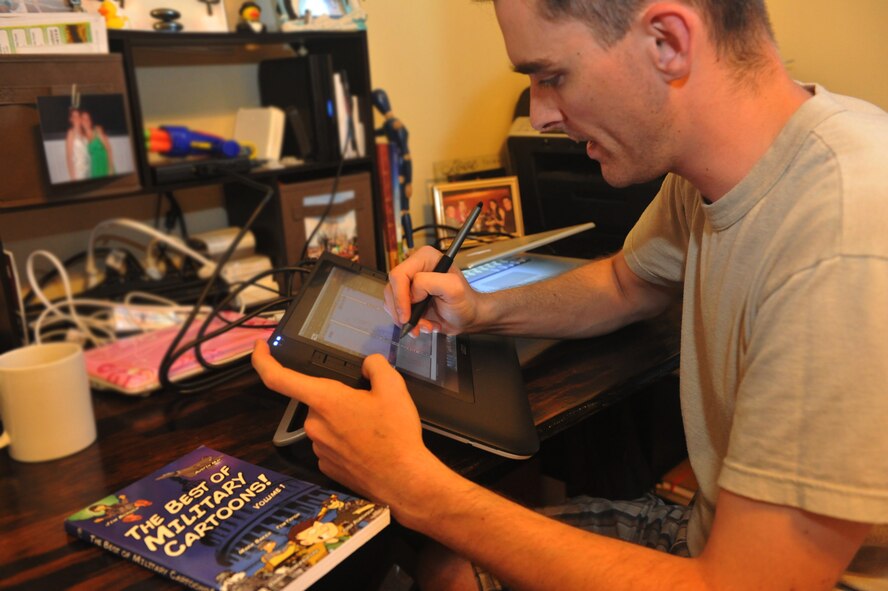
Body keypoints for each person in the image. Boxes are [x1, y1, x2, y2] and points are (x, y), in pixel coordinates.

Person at [252, 0, 888, 589]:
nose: (539, 114)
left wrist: (416, 488)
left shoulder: (843, 234)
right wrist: (481, 308)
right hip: (708, 533)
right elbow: (622, 282)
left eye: (551, 75)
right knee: (451, 564)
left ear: (668, 41)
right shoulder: (710, 171)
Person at [80, 110, 115, 178]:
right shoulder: (83, 137)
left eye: (88, 118)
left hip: (105, 163)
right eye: (83, 118)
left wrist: (110, 167)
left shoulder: (97, 130)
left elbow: (108, 149)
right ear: (81, 121)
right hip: (95, 166)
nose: (86, 120)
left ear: (90, 121)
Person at [65, 107, 90, 182]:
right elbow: (69, 157)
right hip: (78, 171)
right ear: (71, 119)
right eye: (74, 116)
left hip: (88, 169)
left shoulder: (85, 133)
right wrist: (73, 177)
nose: (77, 118)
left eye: (78, 116)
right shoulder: (71, 133)